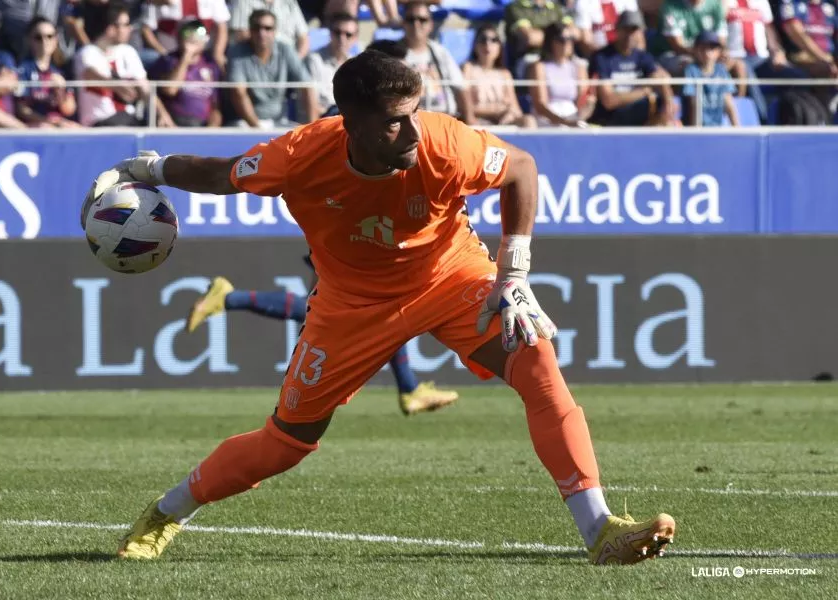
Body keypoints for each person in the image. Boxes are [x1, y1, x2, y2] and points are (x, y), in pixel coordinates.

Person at [87, 49, 676, 566]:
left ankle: (600, 531)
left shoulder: (444, 142)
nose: (414, 134)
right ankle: (167, 512)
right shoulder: (299, 155)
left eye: (415, 114)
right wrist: (145, 168)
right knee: (285, 444)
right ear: (351, 124)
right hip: (351, 307)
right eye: (396, 123)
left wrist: (513, 273)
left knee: (538, 363)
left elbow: (520, 168)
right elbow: (218, 173)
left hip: (450, 275)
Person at [184, 267, 460, 415]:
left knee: (377, 306)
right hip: (351, 224)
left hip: (347, 220)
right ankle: (228, 297)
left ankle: (409, 388)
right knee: (377, 306)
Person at [73, 3, 164, 127]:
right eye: (125, 24)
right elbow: (90, 74)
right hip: (99, 123)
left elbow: (145, 88)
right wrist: (117, 86)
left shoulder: (128, 51)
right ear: (110, 28)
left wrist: (162, 115)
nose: (130, 29)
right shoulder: (88, 52)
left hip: (128, 120)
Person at [226, 8, 317, 127]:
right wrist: (257, 128)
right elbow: (238, 93)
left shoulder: (286, 50)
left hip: (279, 122)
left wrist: (314, 128)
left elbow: (307, 86)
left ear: (274, 31)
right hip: (245, 123)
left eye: (267, 28)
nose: (261, 33)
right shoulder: (236, 52)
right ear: (250, 30)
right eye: (256, 28)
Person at [588, 10, 677, 126]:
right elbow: (609, 101)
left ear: (641, 33)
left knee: (664, 106)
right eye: (626, 29)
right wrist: (645, 90)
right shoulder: (602, 58)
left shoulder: (642, 56)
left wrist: (668, 100)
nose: (629, 35)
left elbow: (662, 76)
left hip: (636, 113)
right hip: (610, 118)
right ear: (617, 30)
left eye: (634, 30)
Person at [401, 1, 473, 123]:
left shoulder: (440, 53)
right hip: (412, 122)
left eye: (422, 20)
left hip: (444, 119)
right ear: (403, 23)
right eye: (410, 19)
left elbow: (461, 87)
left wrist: (470, 121)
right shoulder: (393, 54)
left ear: (431, 25)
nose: (416, 24)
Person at [149, 20, 223, 127]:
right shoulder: (168, 60)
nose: (193, 37)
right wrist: (186, 57)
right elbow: (170, 90)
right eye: (187, 32)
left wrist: (211, 129)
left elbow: (216, 107)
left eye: (199, 32)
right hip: (175, 122)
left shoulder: (210, 64)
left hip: (202, 125)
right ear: (178, 37)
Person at [461, 24, 537, 128]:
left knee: (528, 121)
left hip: (503, 121)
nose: (488, 44)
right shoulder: (468, 68)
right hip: (478, 122)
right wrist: (495, 111)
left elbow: (515, 108)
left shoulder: (505, 73)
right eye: (483, 39)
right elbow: (464, 106)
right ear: (475, 45)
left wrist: (510, 114)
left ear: (500, 46)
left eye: (494, 40)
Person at [15, 16, 80, 128]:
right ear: (29, 40)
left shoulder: (63, 70)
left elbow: (70, 109)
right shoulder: (23, 69)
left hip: (60, 124)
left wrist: (60, 91)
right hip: (35, 126)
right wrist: (49, 122)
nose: (44, 41)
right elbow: (21, 109)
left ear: (56, 40)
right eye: (38, 37)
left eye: (50, 36)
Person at [528, 22, 593, 127]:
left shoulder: (579, 67)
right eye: (561, 40)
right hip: (547, 119)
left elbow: (584, 100)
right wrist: (563, 122)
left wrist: (581, 114)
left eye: (570, 39)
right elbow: (540, 105)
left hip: (573, 116)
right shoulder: (539, 67)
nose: (567, 43)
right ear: (551, 42)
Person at [140, 0, 230, 70]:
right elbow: (146, 29)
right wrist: (163, 53)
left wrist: (218, 54)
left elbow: (221, 27)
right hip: (168, 55)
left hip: (204, 56)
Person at [305, 11, 357, 120]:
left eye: (348, 35)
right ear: (330, 33)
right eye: (337, 32)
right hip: (324, 120)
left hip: (348, 120)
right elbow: (311, 103)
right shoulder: (314, 60)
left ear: (355, 38)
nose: (342, 39)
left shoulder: (357, 63)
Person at [681, 31, 738, 126]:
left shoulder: (721, 70)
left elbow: (728, 102)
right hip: (697, 128)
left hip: (716, 128)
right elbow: (693, 102)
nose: (707, 52)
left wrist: (738, 131)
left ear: (719, 51)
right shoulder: (691, 70)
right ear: (695, 50)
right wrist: (695, 132)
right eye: (703, 48)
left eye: (712, 48)